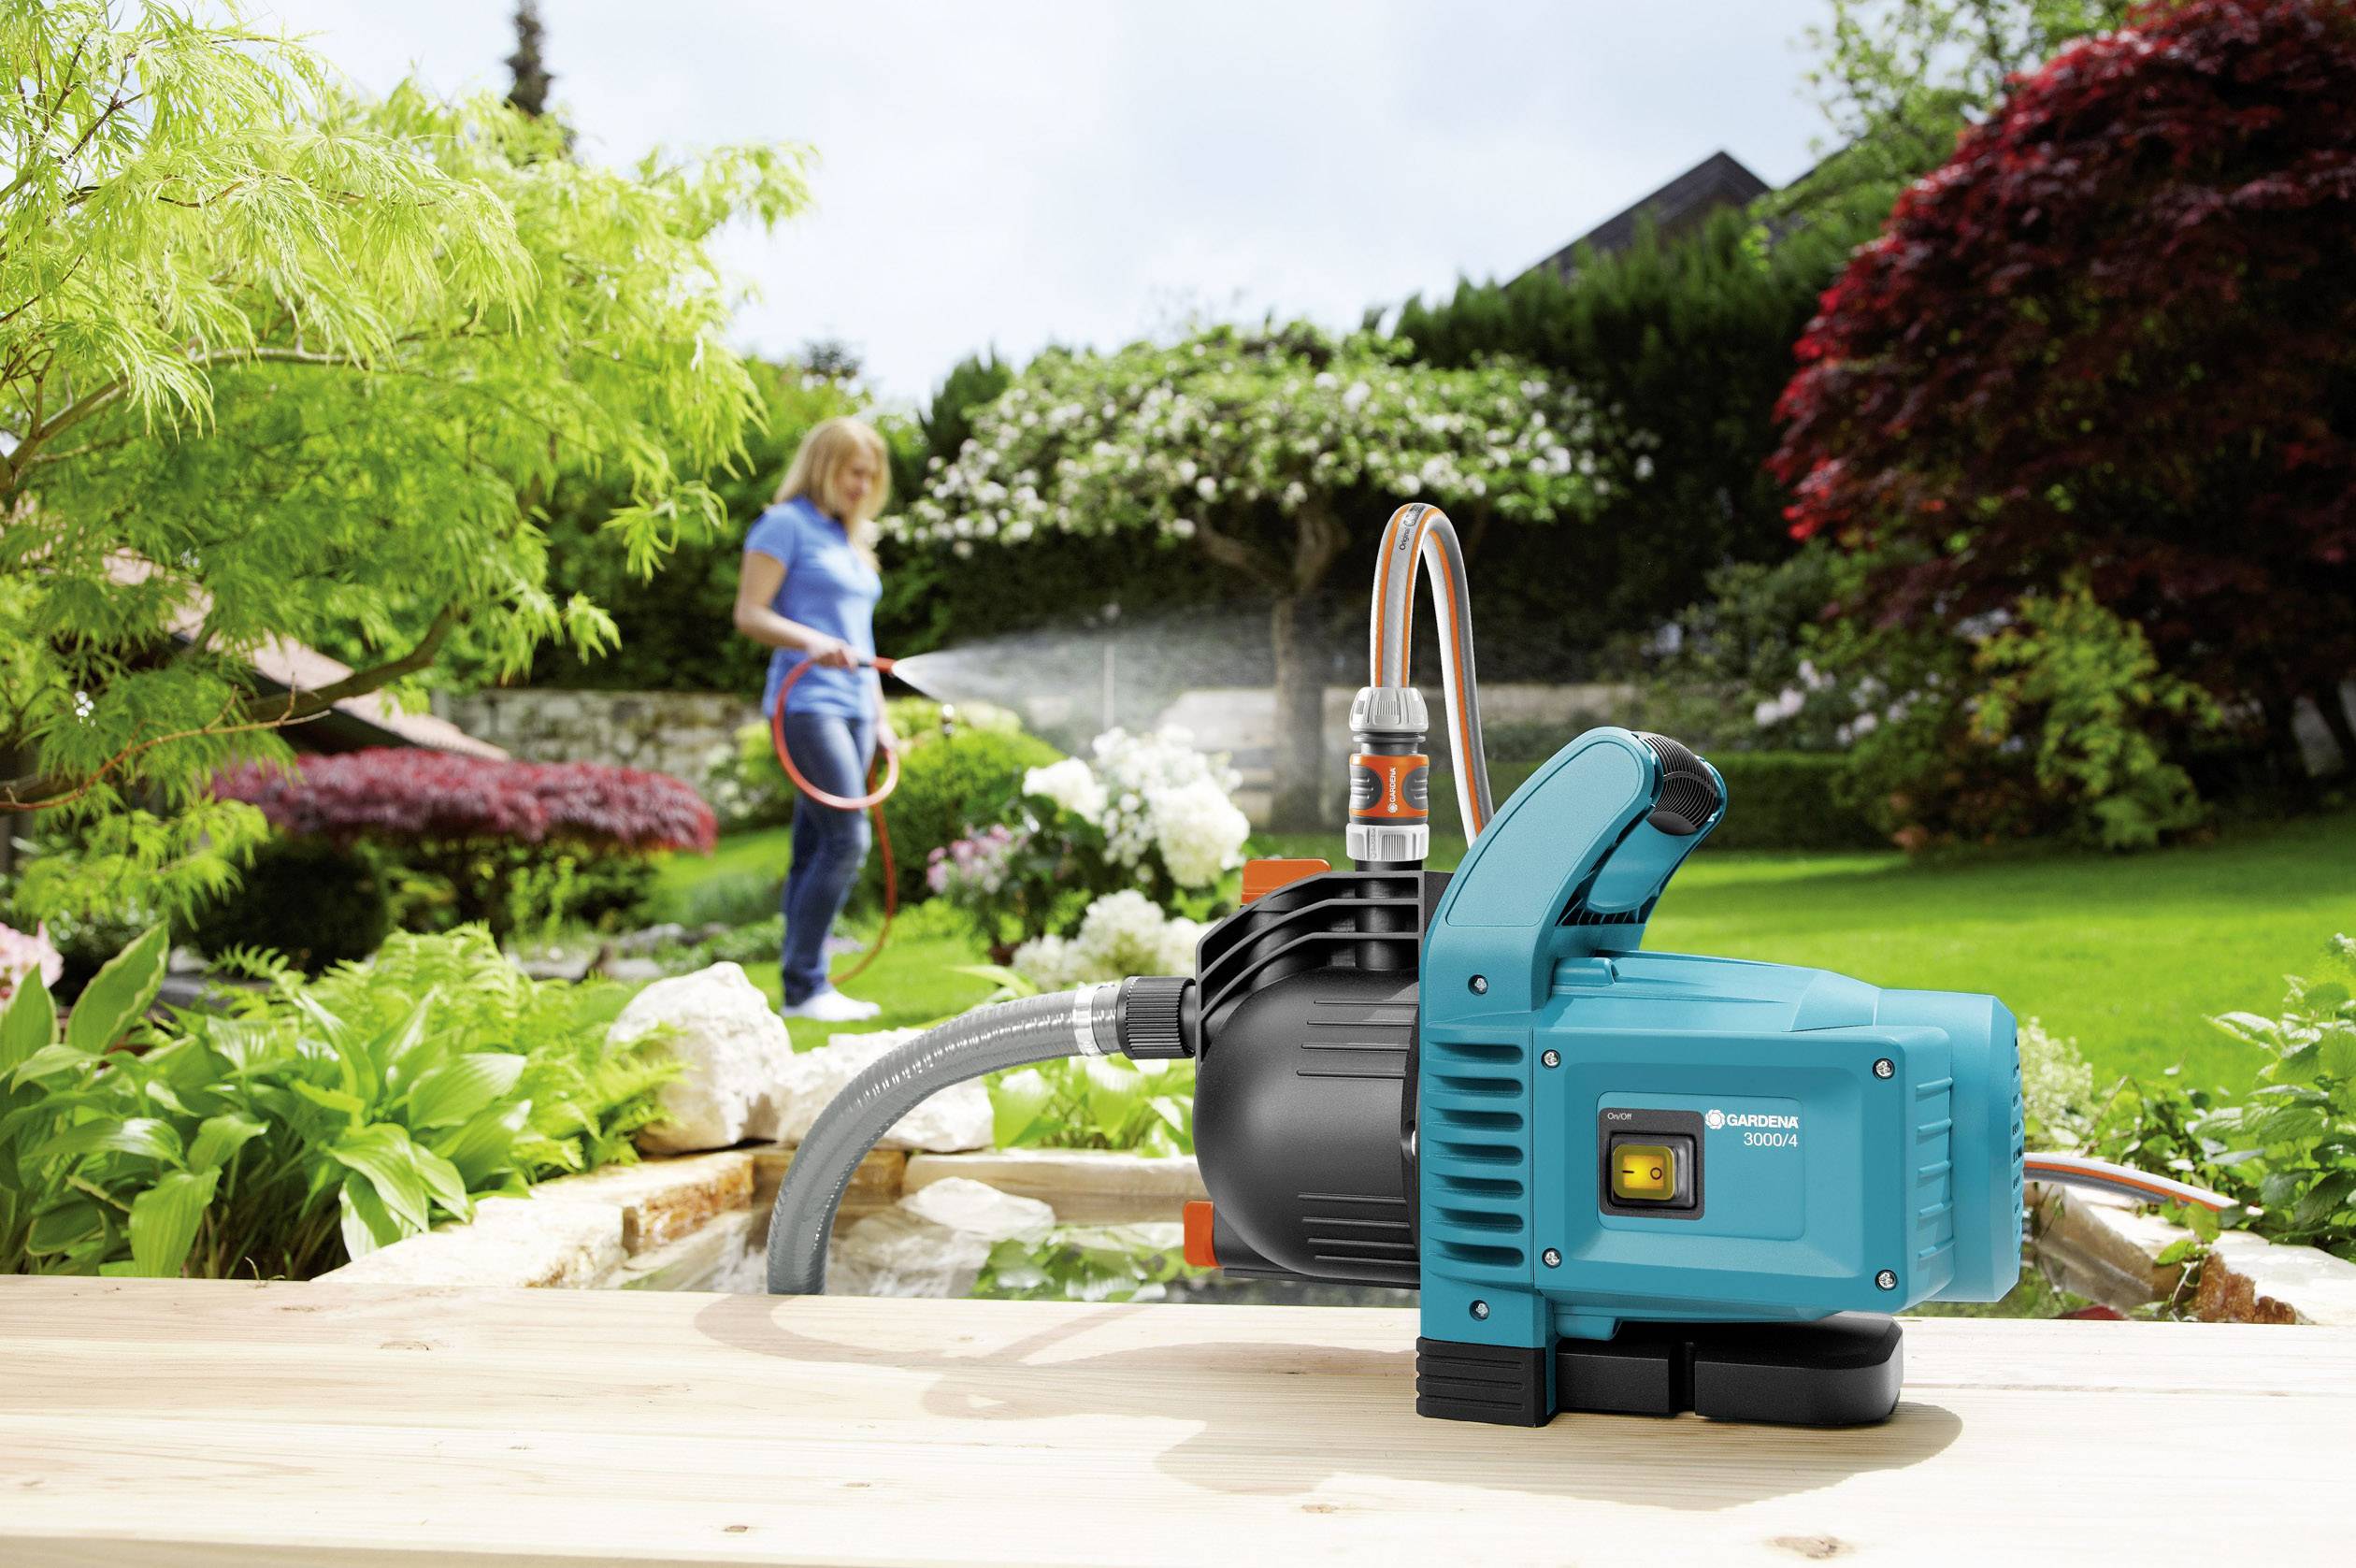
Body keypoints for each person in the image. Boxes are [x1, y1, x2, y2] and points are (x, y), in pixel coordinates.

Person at [733, 416, 896, 1022]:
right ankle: (806, 985)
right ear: (824, 466)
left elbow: (862, 635)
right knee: (845, 839)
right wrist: (810, 640)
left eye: (871, 474)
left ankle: (801, 983)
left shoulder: (848, 539)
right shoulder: (783, 526)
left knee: (812, 847)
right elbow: (750, 613)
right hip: (807, 704)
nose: (864, 484)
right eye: (854, 471)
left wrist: (880, 716)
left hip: (854, 707)